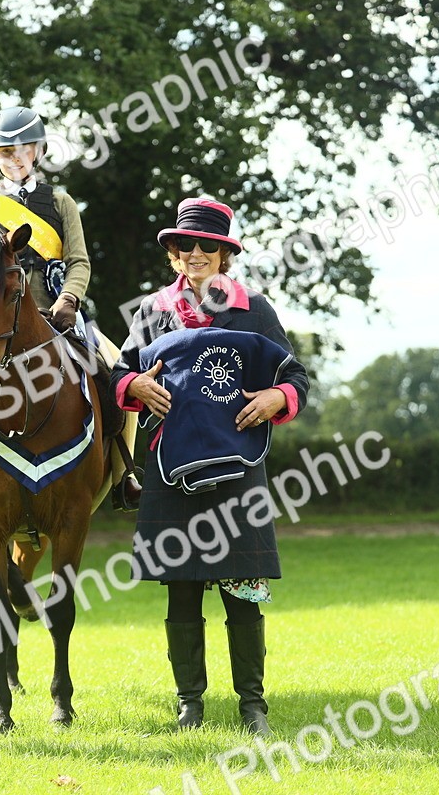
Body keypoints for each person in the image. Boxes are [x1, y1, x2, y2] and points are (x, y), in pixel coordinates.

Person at [110, 197, 310, 736]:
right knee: (181, 587)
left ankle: (253, 706)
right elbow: (118, 374)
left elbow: (297, 378)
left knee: (243, 589)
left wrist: (277, 398)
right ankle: (189, 705)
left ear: (224, 255)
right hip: (169, 467)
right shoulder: (150, 312)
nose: (195, 254)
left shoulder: (256, 310)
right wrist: (135, 385)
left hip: (238, 468)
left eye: (208, 247)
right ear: (173, 254)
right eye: (185, 246)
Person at [0, 105, 141, 512]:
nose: (13, 159)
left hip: (58, 312)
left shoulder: (61, 202)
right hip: (1, 320)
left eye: (22, 150)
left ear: (39, 151)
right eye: (4, 152)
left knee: (115, 370)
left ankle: (124, 473)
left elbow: (79, 260)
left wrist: (69, 298)